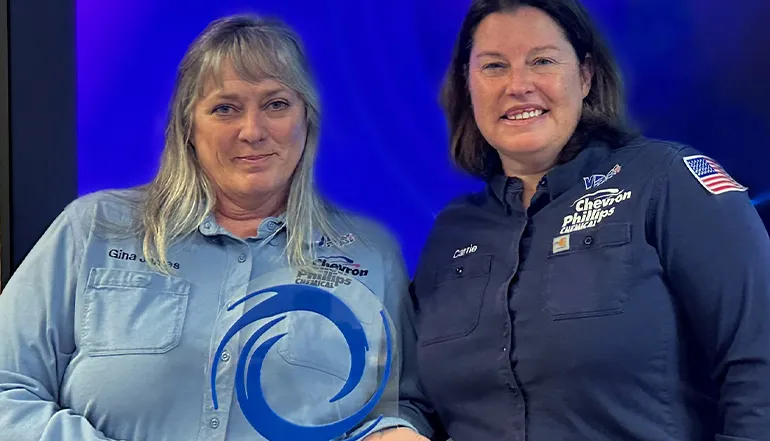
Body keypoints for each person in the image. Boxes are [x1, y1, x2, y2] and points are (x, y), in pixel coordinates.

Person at [0, 15, 428, 441]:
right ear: (188, 126)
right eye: (225, 108)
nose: (253, 131)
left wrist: (394, 430)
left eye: (276, 104)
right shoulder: (92, 228)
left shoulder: (371, 255)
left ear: (307, 119)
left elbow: (403, 404)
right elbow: (6, 388)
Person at [390, 0, 770, 440]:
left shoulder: (668, 182)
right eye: (494, 66)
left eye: (543, 61)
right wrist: (399, 425)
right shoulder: (451, 232)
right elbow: (413, 394)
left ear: (585, 75)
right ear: (467, 85)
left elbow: (758, 356)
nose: (519, 85)